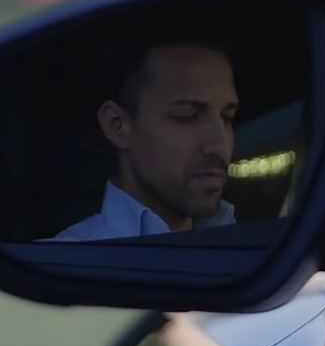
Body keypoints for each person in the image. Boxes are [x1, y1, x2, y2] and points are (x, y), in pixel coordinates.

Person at [51, 38, 239, 241]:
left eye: (228, 118)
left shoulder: (249, 244)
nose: (220, 146)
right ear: (117, 126)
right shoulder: (62, 256)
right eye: (187, 115)